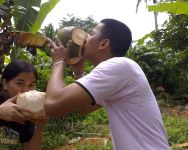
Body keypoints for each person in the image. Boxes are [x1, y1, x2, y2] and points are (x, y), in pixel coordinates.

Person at [45, 18, 171, 150]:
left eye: (92, 34)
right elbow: (84, 108)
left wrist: (59, 62)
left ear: (103, 44)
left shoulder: (118, 65)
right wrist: (79, 73)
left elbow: (52, 105)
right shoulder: (119, 70)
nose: (85, 38)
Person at [0, 60, 45, 150]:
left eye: (31, 85)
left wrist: (40, 126)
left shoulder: (26, 114)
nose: (26, 90)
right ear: (5, 84)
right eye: (20, 83)